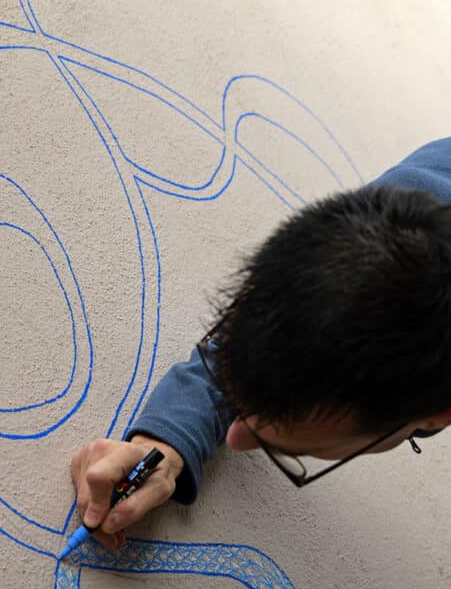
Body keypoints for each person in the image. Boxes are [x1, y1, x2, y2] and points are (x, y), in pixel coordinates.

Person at [71, 137, 451, 552]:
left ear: (435, 417)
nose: (236, 438)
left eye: (282, 451)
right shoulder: (405, 233)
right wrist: (169, 440)